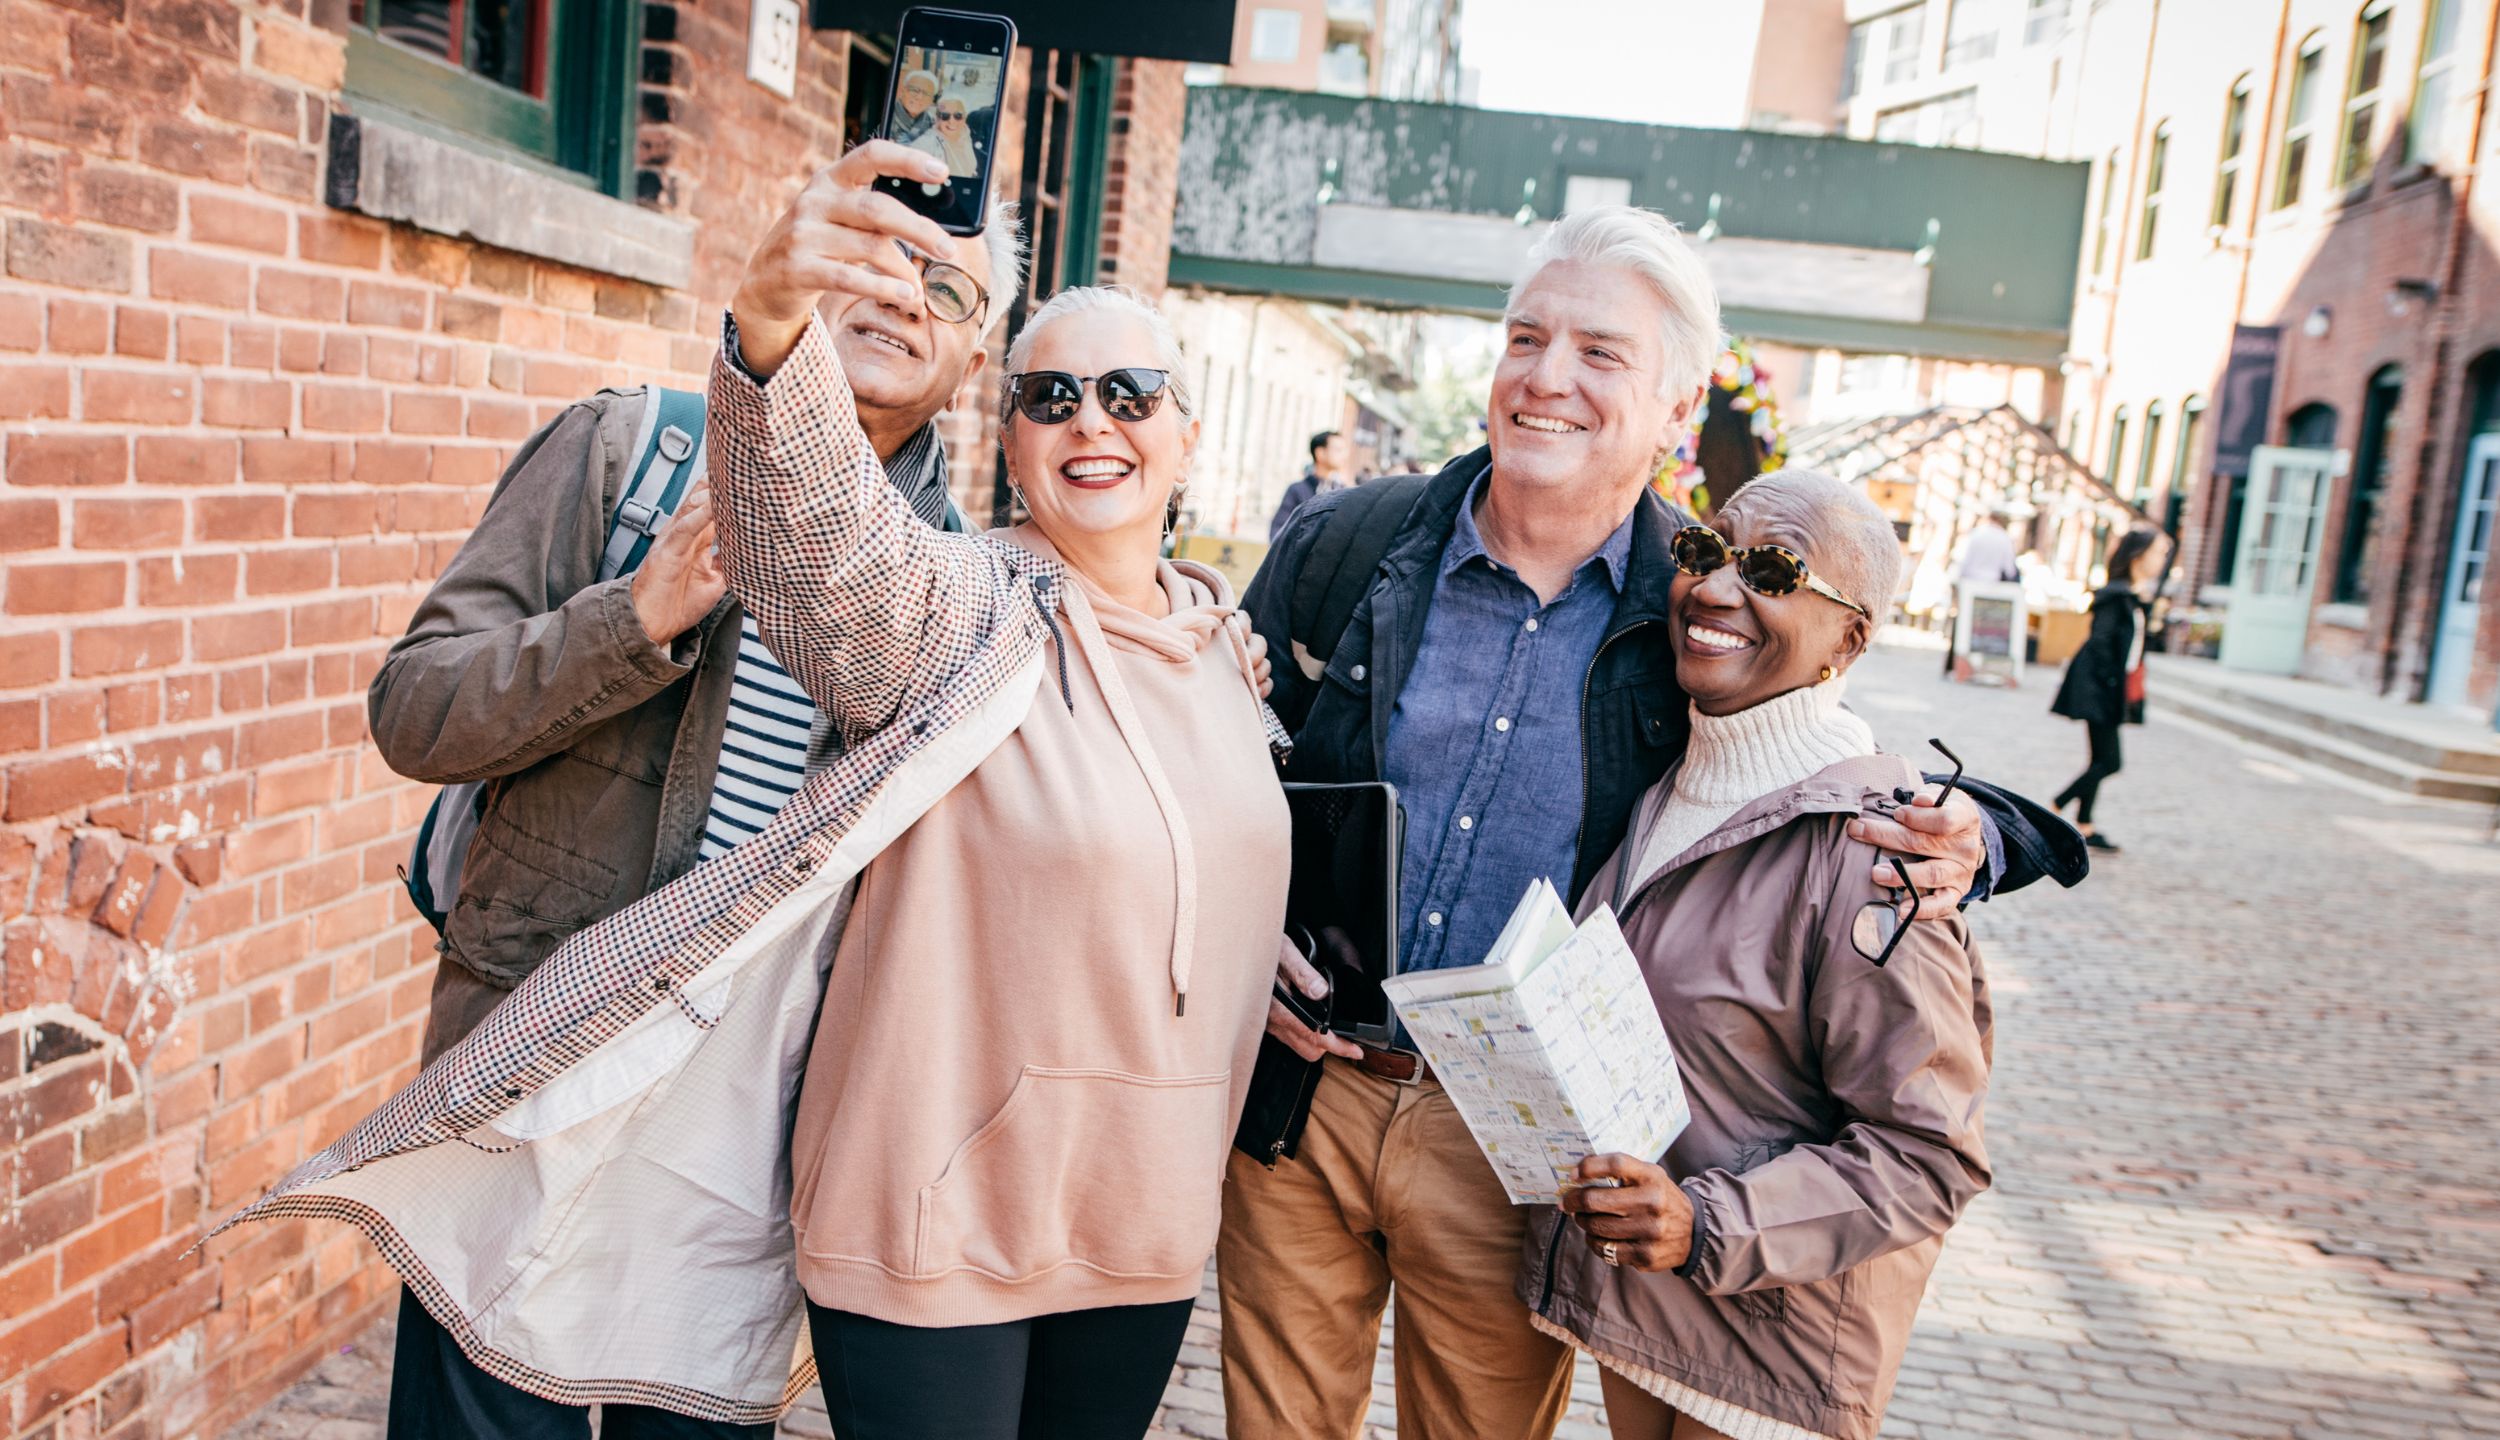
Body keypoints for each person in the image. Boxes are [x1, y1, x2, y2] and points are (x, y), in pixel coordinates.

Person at [225, 142, 1288, 1440]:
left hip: (741, 1145)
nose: (904, 298)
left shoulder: (972, 594)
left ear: (971, 369)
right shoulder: (631, 455)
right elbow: (416, 710)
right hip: (553, 1082)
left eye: (947, 292)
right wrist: (630, 620)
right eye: (876, 260)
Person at [1222, 205, 2082, 1440]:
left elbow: (1816, 758)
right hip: (1305, 1101)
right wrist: (1241, 948)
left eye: (1600, 352)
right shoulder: (1346, 546)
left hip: (1513, 1141)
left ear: (1679, 411)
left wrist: (1981, 833)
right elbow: (1217, 766)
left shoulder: (1692, 612)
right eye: (1527, 336)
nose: (1546, 376)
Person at [1522, 468, 1992, 1440]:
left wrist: (1708, 1225)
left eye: (1773, 570)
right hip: (1646, 1307)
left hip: (1773, 1347)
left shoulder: (1875, 850)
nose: (1716, 589)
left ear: (1849, 640)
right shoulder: (1660, 785)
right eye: (1702, 553)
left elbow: (1927, 1154)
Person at [2052, 527, 2161, 854]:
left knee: (2099, 758)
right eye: (2158, 553)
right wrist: (2111, 690)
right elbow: (2102, 645)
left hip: (2112, 688)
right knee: (2110, 761)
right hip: (2100, 689)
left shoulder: (2132, 597)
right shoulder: (2117, 598)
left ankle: (2085, 823)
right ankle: (2055, 807)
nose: (2162, 560)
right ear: (2138, 557)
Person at [1945, 506, 2022, 678]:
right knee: (1986, 630)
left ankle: (1958, 668)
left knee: (1963, 630)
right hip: (1992, 589)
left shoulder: (1976, 534)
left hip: (1969, 585)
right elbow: (2009, 569)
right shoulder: (2004, 539)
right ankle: (1985, 668)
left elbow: (1963, 561)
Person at [1267, 429, 1352, 540]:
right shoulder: (1297, 490)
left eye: (1344, 450)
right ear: (1320, 453)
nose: (1344, 455)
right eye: (1338, 450)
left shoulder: (1344, 492)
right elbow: (1278, 530)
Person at [912, 93, 982, 177]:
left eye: (958, 115)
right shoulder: (926, 143)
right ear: (937, 119)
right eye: (945, 116)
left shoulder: (965, 135)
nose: (951, 121)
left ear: (965, 117)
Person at [888, 68, 941, 146]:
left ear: (931, 100)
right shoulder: (885, 113)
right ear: (903, 91)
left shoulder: (933, 124)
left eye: (926, 94)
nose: (919, 97)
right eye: (914, 90)